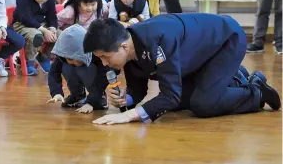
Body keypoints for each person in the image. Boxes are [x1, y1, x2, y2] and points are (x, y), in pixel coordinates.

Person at [83, 16, 281, 125]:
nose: (104, 64)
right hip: (196, 57)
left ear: (123, 46)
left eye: (104, 57)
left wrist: (128, 115)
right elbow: (139, 91)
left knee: (203, 104)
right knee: (177, 103)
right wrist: (124, 100)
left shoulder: (160, 39)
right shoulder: (129, 49)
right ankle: (235, 79)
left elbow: (170, 94)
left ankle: (256, 92)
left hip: (226, 41)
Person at [47, 24, 109, 113]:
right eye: (70, 59)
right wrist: (57, 93)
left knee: (84, 69)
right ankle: (77, 95)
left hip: (96, 86)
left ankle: (100, 97)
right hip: (76, 79)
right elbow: (53, 73)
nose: (75, 62)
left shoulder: (97, 55)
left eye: (78, 58)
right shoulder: (62, 56)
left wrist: (91, 101)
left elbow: (103, 77)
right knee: (67, 67)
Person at [13, 0, 59, 75]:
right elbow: (26, 19)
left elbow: (52, 17)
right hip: (22, 24)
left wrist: (52, 29)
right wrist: (44, 30)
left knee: (60, 35)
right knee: (36, 36)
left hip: (41, 24)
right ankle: (29, 61)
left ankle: (44, 56)